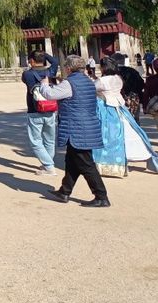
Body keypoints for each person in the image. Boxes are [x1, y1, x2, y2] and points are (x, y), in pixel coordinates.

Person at [40, 55, 110, 208]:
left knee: (86, 163)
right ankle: (65, 191)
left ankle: (101, 196)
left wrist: (44, 85)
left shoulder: (69, 83)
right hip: (86, 125)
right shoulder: (88, 81)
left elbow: (50, 94)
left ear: (68, 68)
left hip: (76, 127)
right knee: (72, 161)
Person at [92, 57, 158, 177]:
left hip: (105, 108)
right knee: (131, 131)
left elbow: (92, 89)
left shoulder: (102, 80)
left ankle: (108, 163)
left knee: (108, 135)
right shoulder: (118, 78)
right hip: (120, 108)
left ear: (104, 67)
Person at [21, 50, 59, 176]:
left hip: (35, 110)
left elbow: (24, 79)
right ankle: (48, 163)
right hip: (51, 109)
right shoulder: (50, 72)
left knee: (36, 141)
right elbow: (55, 62)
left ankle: (49, 166)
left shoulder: (27, 74)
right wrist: (44, 55)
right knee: (49, 140)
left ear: (32, 61)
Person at [113, 53, 145, 123]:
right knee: (135, 121)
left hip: (117, 100)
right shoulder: (132, 71)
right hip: (133, 99)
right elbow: (141, 84)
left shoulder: (112, 73)